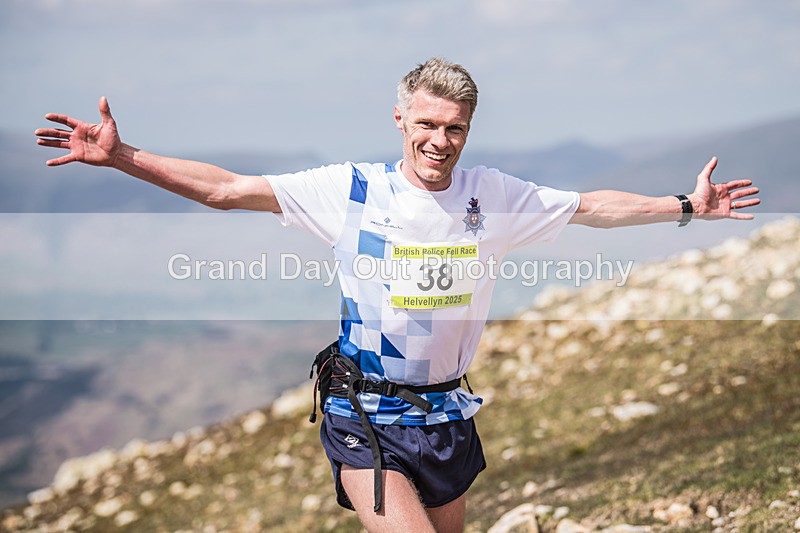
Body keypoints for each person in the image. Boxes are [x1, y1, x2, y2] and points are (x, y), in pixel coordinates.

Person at [35, 57, 759, 533]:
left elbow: (594, 206)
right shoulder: (350, 191)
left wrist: (687, 207)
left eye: (455, 129)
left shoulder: (493, 195)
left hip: (446, 410)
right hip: (364, 411)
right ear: (400, 120)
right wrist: (122, 157)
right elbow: (229, 190)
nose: (440, 141)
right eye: (427, 125)